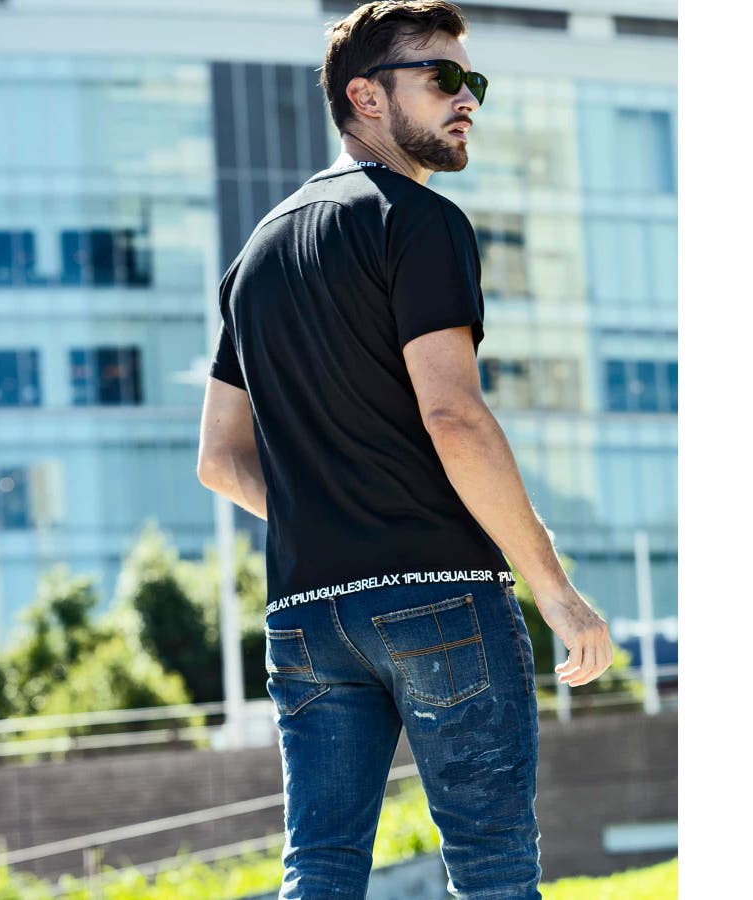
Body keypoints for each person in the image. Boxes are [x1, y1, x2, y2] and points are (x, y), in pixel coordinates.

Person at [197, 2, 613, 897]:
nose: (468, 100)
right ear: (366, 97)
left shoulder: (253, 257)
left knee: (319, 867)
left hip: (305, 613)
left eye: (473, 81)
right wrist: (556, 591)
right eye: (442, 77)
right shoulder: (418, 220)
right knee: (492, 867)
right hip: (440, 595)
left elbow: (219, 460)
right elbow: (453, 415)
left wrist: (333, 514)